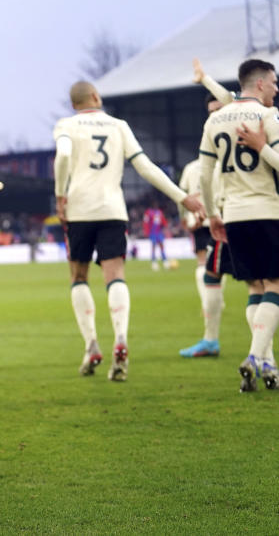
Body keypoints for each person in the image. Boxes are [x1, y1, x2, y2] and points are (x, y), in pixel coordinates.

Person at [53, 81, 203, 382]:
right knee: (115, 275)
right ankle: (120, 337)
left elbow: (64, 156)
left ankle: (91, 343)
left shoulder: (67, 124)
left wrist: (60, 193)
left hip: (79, 210)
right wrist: (181, 197)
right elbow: (145, 167)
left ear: (74, 105)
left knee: (79, 276)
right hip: (113, 210)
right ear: (96, 97)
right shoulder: (118, 125)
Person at [199, 58, 279, 391]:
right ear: (259, 84)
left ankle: (269, 364)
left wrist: (212, 214)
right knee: (274, 285)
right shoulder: (268, 116)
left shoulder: (215, 119)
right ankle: (254, 356)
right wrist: (262, 147)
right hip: (267, 210)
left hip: (233, 214)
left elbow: (205, 175)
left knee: (254, 288)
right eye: (274, 82)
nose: (276, 89)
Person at [178, 59, 236, 358]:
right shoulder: (199, 162)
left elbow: (230, 100)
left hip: (236, 216)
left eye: (219, 110)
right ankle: (212, 337)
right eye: (210, 113)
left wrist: (205, 79)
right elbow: (187, 195)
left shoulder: (247, 123)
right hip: (214, 222)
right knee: (211, 274)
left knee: (262, 282)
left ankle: (260, 354)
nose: (215, 116)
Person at [142, 199, 168, 271]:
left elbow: (163, 221)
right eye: (154, 204)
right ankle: (154, 261)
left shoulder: (159, 212)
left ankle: (164, 260)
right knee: (153, 246)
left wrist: (165, 226)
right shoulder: (148, 212)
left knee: (161, 245)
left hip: (159, 232)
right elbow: (145, 222)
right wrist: (146, 232)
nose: (155, 205)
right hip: (152, 232)